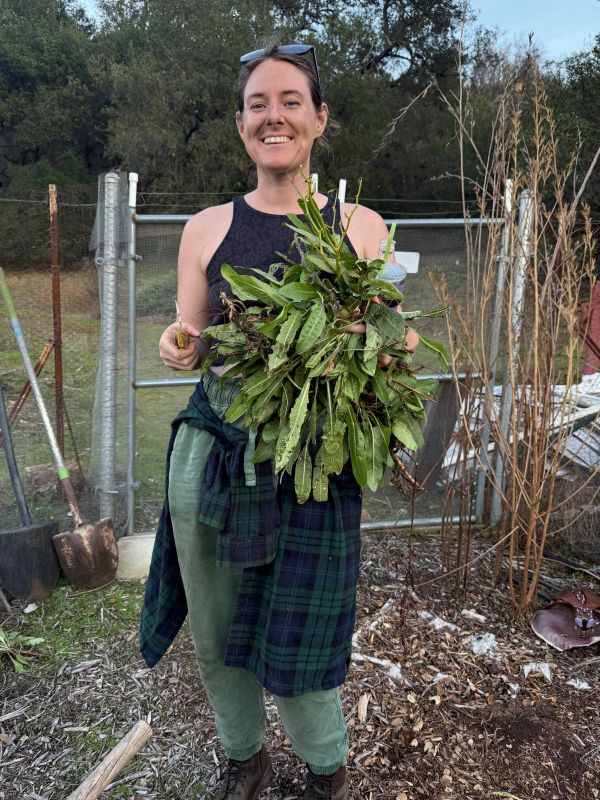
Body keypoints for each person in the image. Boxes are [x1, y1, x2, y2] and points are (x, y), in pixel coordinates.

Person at [140, 43, 419, 800]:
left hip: (314, 462)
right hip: (216, 455)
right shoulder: (206, 228)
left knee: (306, 630)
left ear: (319, 119)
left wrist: (384, 340)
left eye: (291, 101)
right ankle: (244, 756)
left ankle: (326, 766)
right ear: (241, 126)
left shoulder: (361, 227)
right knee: (215, 626)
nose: (275, 116)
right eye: (258, 104)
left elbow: (396, 337)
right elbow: (194, 336)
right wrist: (179, 343)